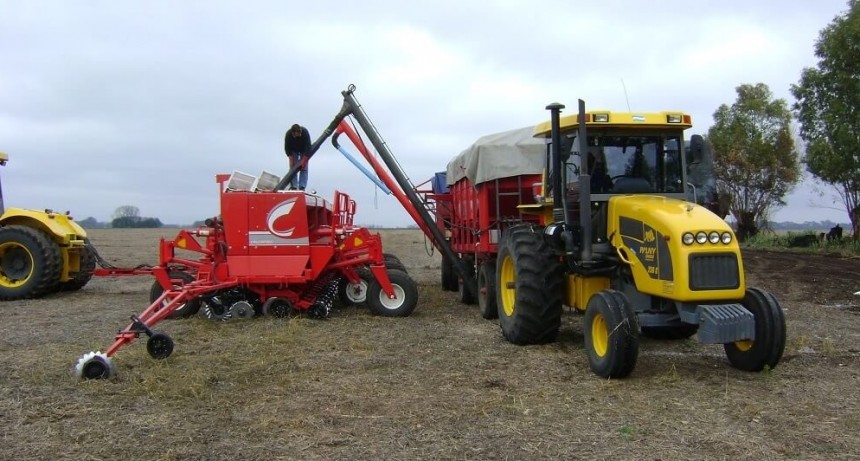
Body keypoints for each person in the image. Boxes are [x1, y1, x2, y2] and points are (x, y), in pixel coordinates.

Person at [284, 124, 312, 190]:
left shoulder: (305, 132)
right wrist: (291, 160)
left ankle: (302, 186)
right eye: (297, 135)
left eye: (300, 133)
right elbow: (287, 148)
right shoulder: (288, 135)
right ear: (293, 133)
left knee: (304, 168)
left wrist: (304, 161)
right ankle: (294, 186)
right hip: (293, 150)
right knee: (293, 167)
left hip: (304, 150)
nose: (299, 135)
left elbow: (308, 147)